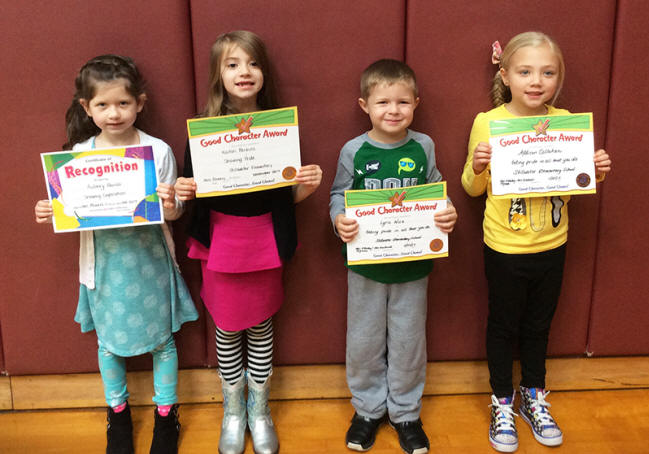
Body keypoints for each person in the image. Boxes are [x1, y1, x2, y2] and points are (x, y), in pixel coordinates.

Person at [34, 55, 198, 454]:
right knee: (107, 344)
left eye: (123, 103)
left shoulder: (156, 151)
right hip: (104, 266)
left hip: (151, 262)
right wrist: (50, 210)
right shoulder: (77, 156)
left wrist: (173, 200)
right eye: (103, 105)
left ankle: (165, 415)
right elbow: (70, 212)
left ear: (140, 103)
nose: (114, 113)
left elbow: (172, 215)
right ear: (85, 108)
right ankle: (118, 414)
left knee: (163, 342)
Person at [461, 32, 612, 452]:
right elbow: (471, 189)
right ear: (505, 75)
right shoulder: (487, 122)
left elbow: (576, 182)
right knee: (503, 325)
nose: (536, 80)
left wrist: (595, 171)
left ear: (558, 80)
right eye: (525, 71)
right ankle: (502, 400)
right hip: (505, 247)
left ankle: (533, 394)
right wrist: (477, 166)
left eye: (547, 73)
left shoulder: (565, 122)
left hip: (553, 243)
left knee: (538, 325)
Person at [174, 30, 322, 454]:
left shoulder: (278, 128)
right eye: (233, 64)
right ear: (218, 75)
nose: (244, 72)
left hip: (266, 239)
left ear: (264, 73)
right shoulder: (202, 132)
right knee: (226, 327)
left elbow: (286, 195)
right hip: (221, 241)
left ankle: (259, 409)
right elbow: (192, 200)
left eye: (253, 63)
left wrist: (307, 187)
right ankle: (233, 410)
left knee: (260, 325)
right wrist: (186, 190)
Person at [329, 59, 458, 454]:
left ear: (416, 103)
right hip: (366, 267)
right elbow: (338, 195)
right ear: (364, 104)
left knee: (408, 341)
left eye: (403, 101)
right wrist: (339, 220)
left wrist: (447, 210)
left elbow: (436, 189)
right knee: (364, 341)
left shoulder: (424, 146)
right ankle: (368, 410)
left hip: (413, 268)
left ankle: (405, 413)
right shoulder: (354, 149)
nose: (393, 109)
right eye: (383, 101)